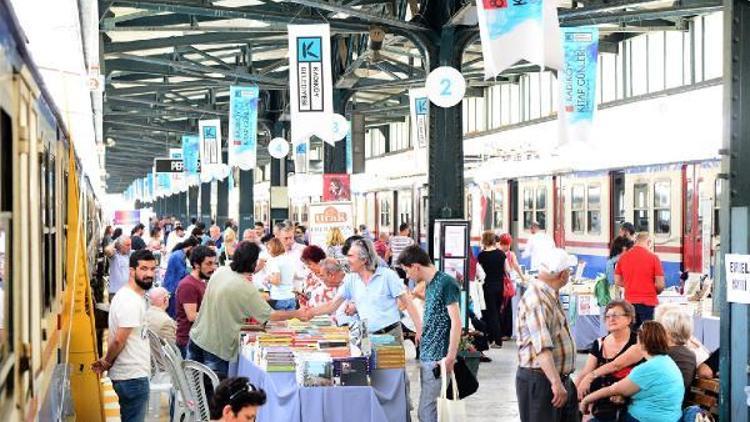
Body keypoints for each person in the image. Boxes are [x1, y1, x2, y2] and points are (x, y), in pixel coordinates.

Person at [188, 241, 311, 379]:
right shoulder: (245, 287)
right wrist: (297, 313)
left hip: (198, 336)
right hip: (217, 347)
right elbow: (272, 315)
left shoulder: (222, 271)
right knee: (217, 394)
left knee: (195, 389)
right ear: (253, 262)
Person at [308, 238, 422, 343]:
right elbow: (332, 305)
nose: (347, 260)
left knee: (391, 365)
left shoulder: (388, 276)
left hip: (391, 335)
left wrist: (419, 329)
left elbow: (408, 303)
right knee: (368, 365)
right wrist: (309, 313)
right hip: (367, 336)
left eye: (351, 256)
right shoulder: (351, 279)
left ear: (364, 259)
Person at [92, 249, 156, 422]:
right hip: (132, 377)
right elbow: (119, 340)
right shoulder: (130, 301)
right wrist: (106, 361)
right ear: (132, 271)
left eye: (152, 269)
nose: (149, 274)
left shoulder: (130, 296)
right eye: (144, 269)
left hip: (130, 376)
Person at [398, 245, 461, 422]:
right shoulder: (430, 284)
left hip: (438, 359)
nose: (407, 275)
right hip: (428, 354)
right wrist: (423, 330)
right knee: (427, 410)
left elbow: (456, 322)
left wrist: (450, 356)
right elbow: (436, 309)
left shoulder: (446, 283)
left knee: (427, 412)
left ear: (416, 266)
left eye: (407, 271)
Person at [516, 247, 578, 422]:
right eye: (569, 270)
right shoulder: (538, 299)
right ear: (563, 275)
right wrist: (556, 383)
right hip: (542, 381)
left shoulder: (549, 294)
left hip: (553, 379)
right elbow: (542, 348)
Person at [579, 321, 684, 422]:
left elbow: (613, 389)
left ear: (641, 342)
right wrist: (622, 396)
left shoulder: (648, 368)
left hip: (645, 418)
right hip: (671, 417)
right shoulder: (666, 361)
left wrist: (586, 400)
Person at [574, 300, 639, 422]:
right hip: (599, 403)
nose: (611, 319)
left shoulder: (638, 343)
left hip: (627, 402)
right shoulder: (599, 343)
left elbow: (618, 366)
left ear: (629, 319)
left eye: (615, 315)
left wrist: (590, 377)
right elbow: (585, 372)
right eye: (607, 316)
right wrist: (574, 393)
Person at [615, 232, 665, 327]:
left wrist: (631, 285)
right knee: (647, 335)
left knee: (631, 335)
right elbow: (660, 285)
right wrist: (654, 291)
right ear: (649, 242)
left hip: (629, 303)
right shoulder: (654, 258)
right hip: (649, 303)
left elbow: (617, 281)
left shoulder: (623, 257)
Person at [175, 245, 217, 357]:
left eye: (214, 263)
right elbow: (192, 316)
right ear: (196, 265)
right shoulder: (188, 285)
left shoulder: (200, 282)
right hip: (189, 342)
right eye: (209, 263)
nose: (213, 267)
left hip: (198, 340)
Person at [655, 306, 697, 405]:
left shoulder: (665, 355)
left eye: (660, 327)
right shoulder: (689, 354)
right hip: (674, 406)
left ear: (668, 332)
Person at [477, 231, 505, 348]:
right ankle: (495, 337)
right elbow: (507, 270)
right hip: (500, 286)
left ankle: (496, 340)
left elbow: (480, 273)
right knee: (497, 312)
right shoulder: (501, 254)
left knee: (490, 313)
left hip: (487, 286)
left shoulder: (482, 256)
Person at [498, 233, 528, 340]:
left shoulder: (497, 253)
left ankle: (500, 332)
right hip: (507, 285)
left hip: (499, 284)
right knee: (507, 309)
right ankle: (507, 333)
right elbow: (515, 267)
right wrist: (523, 277)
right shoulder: (511, 255)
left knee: (499, 308)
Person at [163, 237, 199, 318]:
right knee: (172, 316)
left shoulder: (180, 254)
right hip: (172, 289)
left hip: (172, 287)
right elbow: (182, 273)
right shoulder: (178, 256)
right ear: (190, 248)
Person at [318, 258, 356, 326]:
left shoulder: (353, 281)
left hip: (357, 330)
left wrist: (356, 306)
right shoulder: (338, 286)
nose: (321, 279)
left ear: (331, 275)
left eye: (322, 276)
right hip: (343, 329)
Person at [265, 238, 297, 311]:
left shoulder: (275, 261)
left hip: (279, 297)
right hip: (291, 297)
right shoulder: (289, 259)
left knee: (280, 322)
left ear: (274, 248)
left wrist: (268, 279)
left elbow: (277, 281)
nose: (268, 252)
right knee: (290, 321)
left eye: (269, 249)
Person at [105, 235, 132, 301]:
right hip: (115, 293)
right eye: (127, 245)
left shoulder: (129, 255)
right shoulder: (114, 256)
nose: (130, 247)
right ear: (120, 245)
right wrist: (116, 241)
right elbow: (107, 250)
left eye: (130, 245)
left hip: (127, 292)